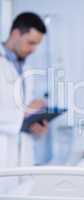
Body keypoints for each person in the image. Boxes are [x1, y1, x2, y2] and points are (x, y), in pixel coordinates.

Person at [0, 12, 48, 177]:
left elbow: (22, 113)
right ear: (15, 34)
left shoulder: (26, 68)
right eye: (31, 43)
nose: (34, 50)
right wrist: (26, 112)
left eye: (37, 45)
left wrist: (36, 123)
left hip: (24, 158)